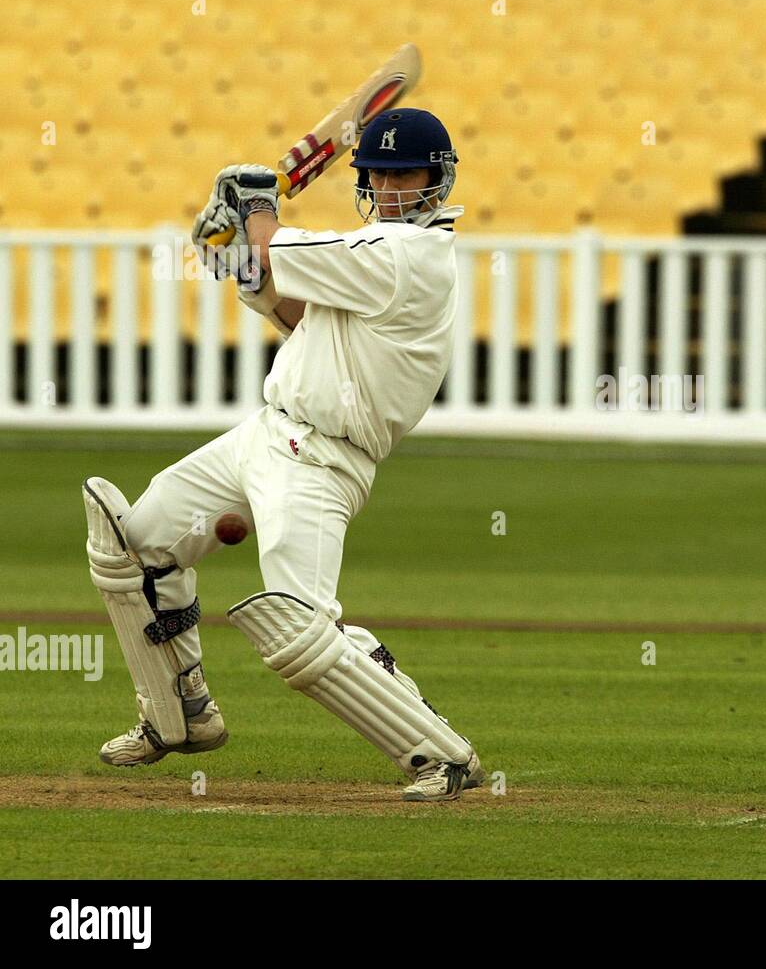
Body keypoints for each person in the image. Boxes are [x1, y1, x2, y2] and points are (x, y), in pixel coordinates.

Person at [83, 108, 483, 802]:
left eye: (405, 175)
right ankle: (179, 713)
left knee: (298, 629)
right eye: (378, 176)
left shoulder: (410, 255)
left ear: (438, 180)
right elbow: (294, 311)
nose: (390, 189)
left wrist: (254, 210)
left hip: (322, 461)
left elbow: (275, 247)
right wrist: (240, 257)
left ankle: (443, 753)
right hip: (265, 434)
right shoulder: (372, 251)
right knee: (134, 545)